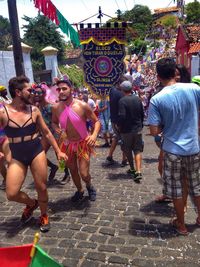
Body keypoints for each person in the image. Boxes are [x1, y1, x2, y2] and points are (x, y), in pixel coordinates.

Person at [0, 76, 67, 232]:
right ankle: (31, 203)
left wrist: (58, 151)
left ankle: (44, 215)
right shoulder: (3, 112)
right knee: (11, 193)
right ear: (18, 92)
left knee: (41, 187)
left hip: (36, 151)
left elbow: (47, 133)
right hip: (17, 155)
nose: (34, 93)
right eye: (29, 90)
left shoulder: (34, 110)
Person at [148, 58, 200, 235]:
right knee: (196, 186)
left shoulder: (157, 99)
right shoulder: (194, 89)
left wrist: (164, 129)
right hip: (193, 147)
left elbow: (154, 131)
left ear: (158, 76)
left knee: (177, 189)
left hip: (172, 150)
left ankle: (182, 224)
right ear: (175, 72)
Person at [52, 79, 101, 202]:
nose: (61, 91)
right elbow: (53, 122)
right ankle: (79, 190)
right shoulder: (55, 108)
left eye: (64, 89)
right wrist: (56, 128)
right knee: (73, 170)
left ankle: (89, 186)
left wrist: (94, 135)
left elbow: (97, 121)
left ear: (71, 90)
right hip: (67, 144)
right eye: (59, 89)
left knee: (84, 173)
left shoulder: (82, 106)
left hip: (83, 143)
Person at [31, 83, 70, 184]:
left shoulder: (51, 106)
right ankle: (53, 167)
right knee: (40, 155)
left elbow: (60, 118)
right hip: (45, 134)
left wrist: (63, 131)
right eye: (35, 92)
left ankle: (66, 173)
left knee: (59, 154)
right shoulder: (37, 106)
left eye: (39, 93)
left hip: (55, 133)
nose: (36, 94)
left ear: (44, 94)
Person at [118, 81, 144, 182]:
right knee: (137, 149)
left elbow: (122, 116)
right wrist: (140, 125)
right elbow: (142, 114)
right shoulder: (137, 99)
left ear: (122, 90)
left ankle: (132, 169)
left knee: (127, 149)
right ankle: (138, 171)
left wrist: (119, 125)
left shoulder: (122, 101)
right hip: (137, 129)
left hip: (126, 130)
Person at [105, 76, 128, 166]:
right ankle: (124, 159)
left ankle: (110, 156)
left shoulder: (112, 91)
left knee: (116, 137)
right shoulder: (121, 94)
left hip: (114, 119)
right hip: (120, 120)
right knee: (125, 140)